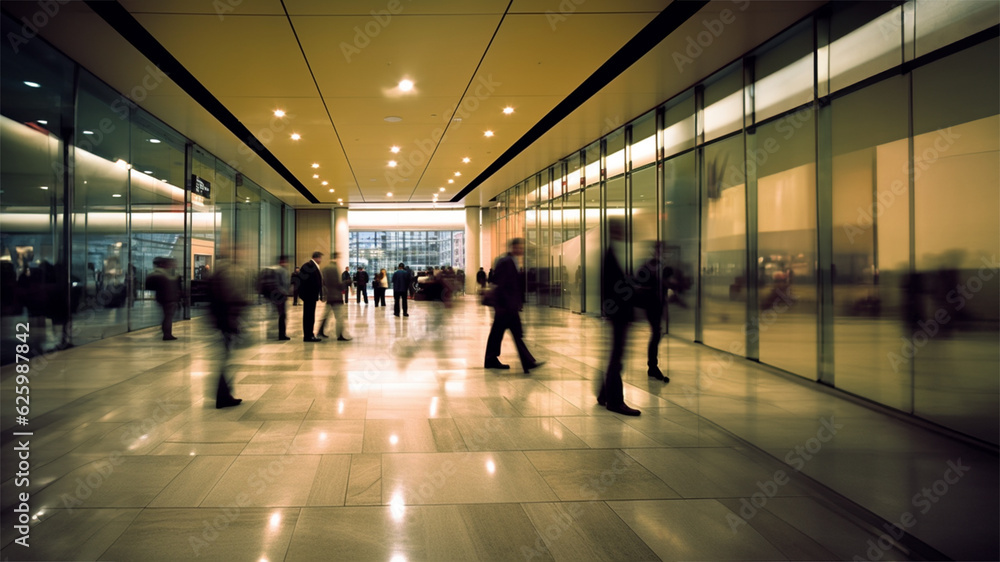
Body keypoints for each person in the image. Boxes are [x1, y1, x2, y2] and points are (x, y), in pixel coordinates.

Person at [597, 218, 640, 416]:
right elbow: (615, 289)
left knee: (616, 356)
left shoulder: (613, 253)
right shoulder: (612, 255)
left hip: (616, 312)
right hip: (618, 313)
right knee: (617, 357)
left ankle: (604, 393)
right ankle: (615, 401)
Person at [484, 238, 544, 374]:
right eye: (519, 247)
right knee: (512, 334)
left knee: (500, 333)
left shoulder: (512, 261)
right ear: (513, 247)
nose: (521, 250)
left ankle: (491, 359)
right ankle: (527, 362)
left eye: (522, 247)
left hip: (507, 306)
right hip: (506, 306)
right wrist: (504, 305)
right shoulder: (506, 261)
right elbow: (500, 283)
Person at [209, 255, 247, 408]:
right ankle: (223, 395)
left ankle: (224, 394)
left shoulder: (219, 272)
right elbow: (232, 297)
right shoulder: (228, 273)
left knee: (226, 358)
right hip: (227, 320)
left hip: (222, 320)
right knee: (227, 358)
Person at [635, 243, 670, 382]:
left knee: (656, 332)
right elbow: (640, 280)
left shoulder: (660, 266)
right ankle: (652, 366)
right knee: (656, 332)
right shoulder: (650, 266)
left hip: (657, 303)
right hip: (652, 303)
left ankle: (653, 366)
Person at [146, 257, 180, 341]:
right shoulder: (163, 274)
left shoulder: (160, 273)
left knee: (167, 316)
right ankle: (167, 334)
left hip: (165, 298)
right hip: (168, 299)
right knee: (168, 317)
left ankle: (166, 332)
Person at [259, 255, 291, 340]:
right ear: (283, 261)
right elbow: (284, 284)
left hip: (271, 296)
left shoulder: (272, 269)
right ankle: (281, 335)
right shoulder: (282, 270)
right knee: (282, 315)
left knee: (273, 314)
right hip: (280, 296)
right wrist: (284, 293)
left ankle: (270, 333)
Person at [319, 253, 350, 341]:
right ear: (336, 258)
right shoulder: (334, 268)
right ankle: (340, 335)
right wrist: (346, 282)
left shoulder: (325, 268)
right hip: (336, 296)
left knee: (326, 315)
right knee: (340, 317)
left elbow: (324, 283)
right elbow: (337, 283)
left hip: (329, 295)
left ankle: (320, 331)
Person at [299, 252, 324, 342]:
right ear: (316, 258)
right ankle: (308, 336)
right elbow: (302, 281)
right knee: (308, 316)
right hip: (309, 296)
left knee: (310, 316)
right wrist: (304, 295)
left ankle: (310, 334)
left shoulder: (312, 266)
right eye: (320, 258)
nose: (321, 260)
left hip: (311, 296)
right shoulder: (309, 266)